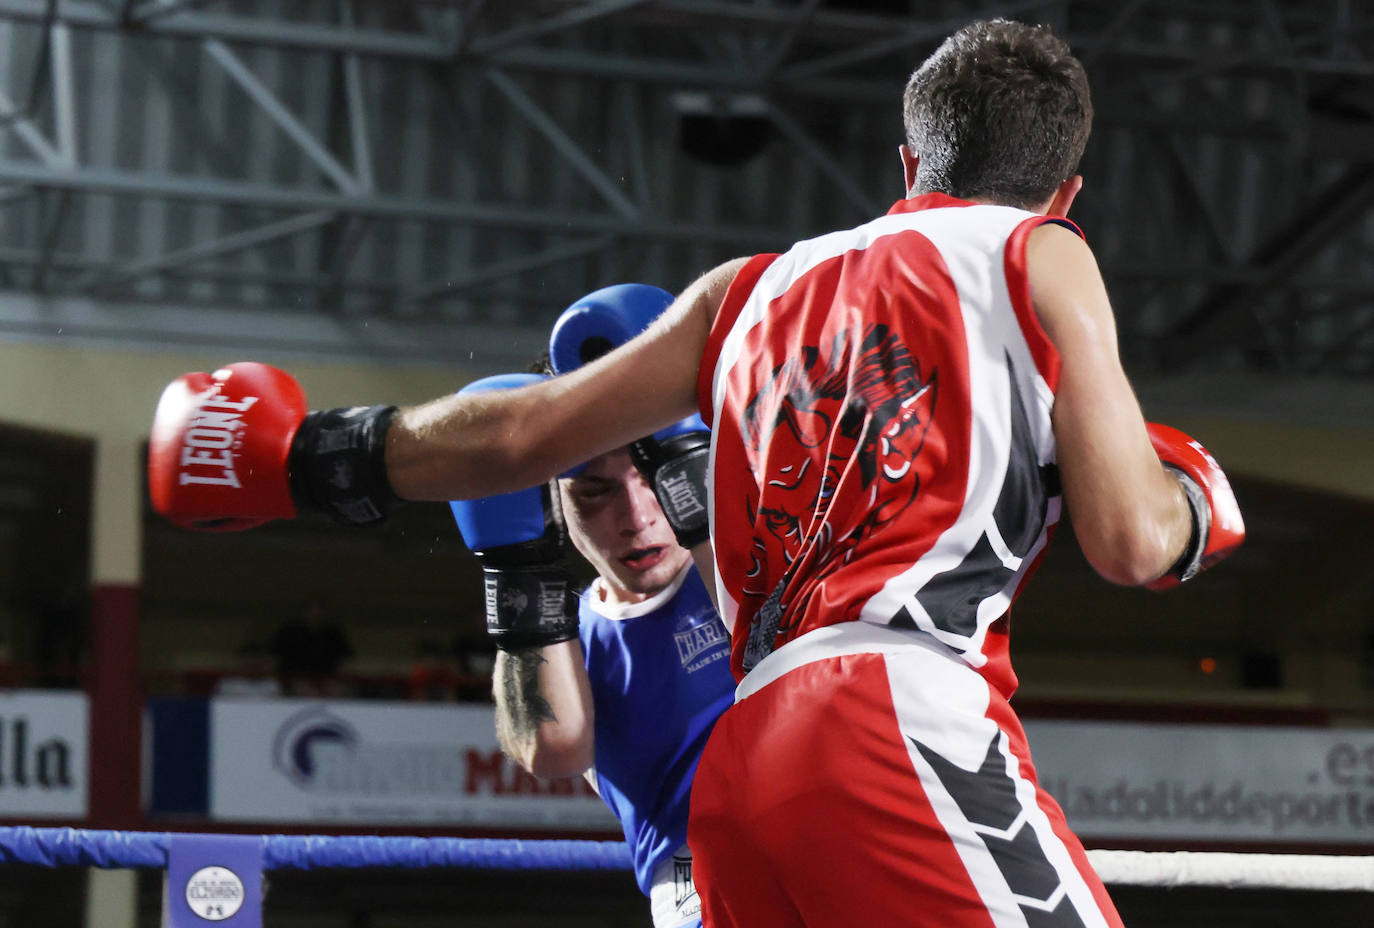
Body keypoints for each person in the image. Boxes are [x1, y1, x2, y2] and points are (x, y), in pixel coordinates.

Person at [148, 18, 1246, 928]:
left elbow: (527, 432)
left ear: (908, 166)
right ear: (1065, 193)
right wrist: (1196, 500)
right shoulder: (1041, 251)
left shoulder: (747, 290)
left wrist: (297, 459)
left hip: (743, 775)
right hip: (897, 707)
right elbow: (1131, 540)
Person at [456, 286, 736, 928]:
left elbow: (771, 628)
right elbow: (551, 750)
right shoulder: (568, 640)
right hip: (704, 881)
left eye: (654, 478)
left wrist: (691, 473)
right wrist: (513, 562)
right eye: (595, 492)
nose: (636, 518)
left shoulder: (753, 555)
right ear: (552, 502)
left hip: (840, 831)